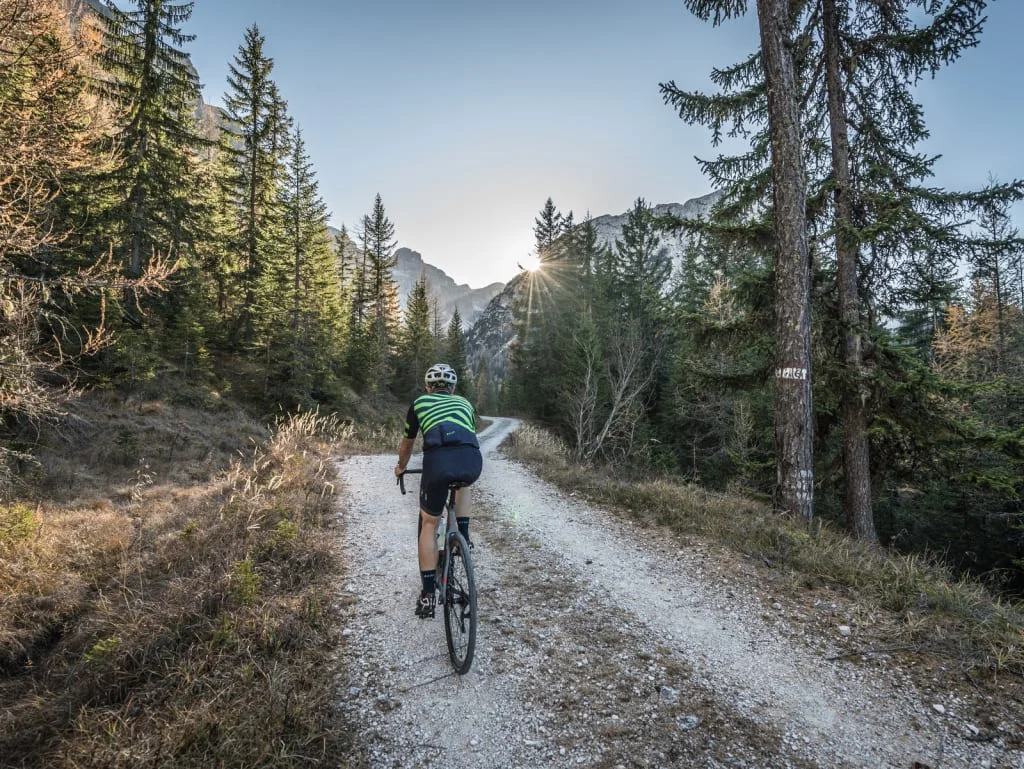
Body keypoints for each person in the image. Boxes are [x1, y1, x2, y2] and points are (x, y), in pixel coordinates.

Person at [395, 363, 482, 618]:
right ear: (453, 388)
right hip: (471, 459)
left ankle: (428, 595)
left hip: (438, 463)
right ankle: (463, 537)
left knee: (429, 523)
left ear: (428, 387)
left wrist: (401, 467)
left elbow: (407, 443)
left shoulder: (419, 403)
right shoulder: (465, 403)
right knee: (463, 483)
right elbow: (467, 434)